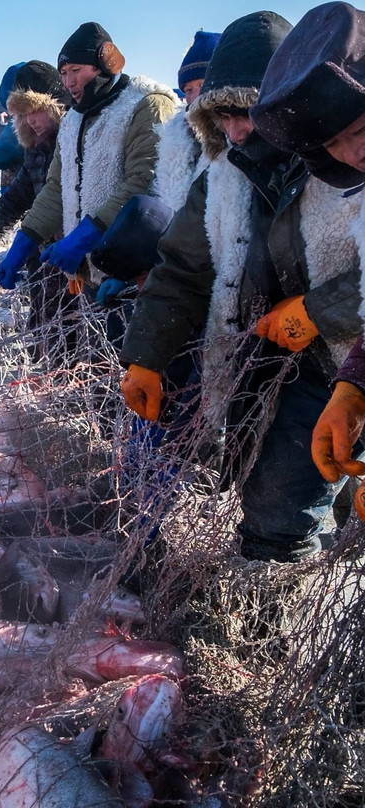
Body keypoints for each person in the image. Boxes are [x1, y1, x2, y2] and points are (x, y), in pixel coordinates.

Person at [120, 11, 363, 563]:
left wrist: (322, 309)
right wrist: (146, 356)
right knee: (272, 487)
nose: (235, 132)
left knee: (282, 512)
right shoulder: (227, 173)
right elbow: (182, 267)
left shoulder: (347, 155)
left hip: (340, 359)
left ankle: (283, 610)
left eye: (246, 113)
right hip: (262, 361)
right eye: (221, 118)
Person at [249, 1, 365, 523]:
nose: (352, 153)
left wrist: (320, 311)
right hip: (327, 370)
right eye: (334, 143)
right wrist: (354, 386)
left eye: (358, 130)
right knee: (277, 511)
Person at [0, 22, 178, 301]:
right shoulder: (73, 120)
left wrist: (84, 237)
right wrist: (26, 239)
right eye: (63, 73)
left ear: (105, 65)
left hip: (138, 268)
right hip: (91, 270)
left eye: (76, 71)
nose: (68, 82)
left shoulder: (145, 105)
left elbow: (144, 181)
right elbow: (57, 186)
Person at [0, 62, 69, 279]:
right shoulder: (36, 146)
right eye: (22, 115)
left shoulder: (75, 139)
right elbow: (16, 198)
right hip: (45, 247)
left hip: (77, 253)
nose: (30, 121)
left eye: (34, 111)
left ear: (55, 105)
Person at [151, 30, 221, 212]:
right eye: (188, 90)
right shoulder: (174, 140)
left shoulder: (237, 138)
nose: (196, 96)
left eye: (202, 85)